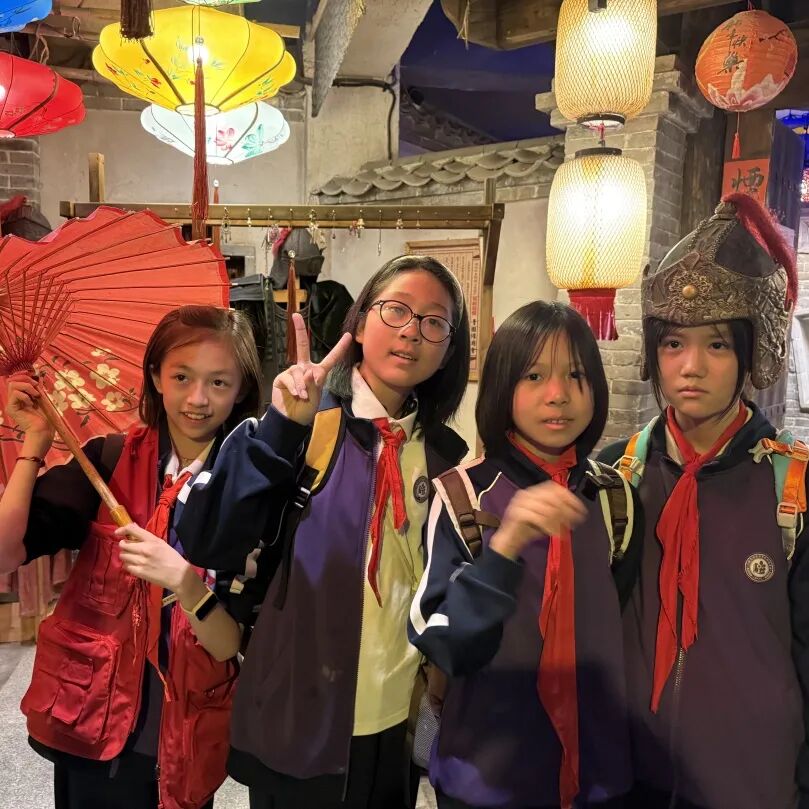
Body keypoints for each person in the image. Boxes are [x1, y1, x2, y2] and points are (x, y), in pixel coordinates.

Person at [177, 255, 471, 809]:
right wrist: (281, 427)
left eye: (435, 322)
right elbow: (207, 540)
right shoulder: (303, 424)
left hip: (396, 720)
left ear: (449, 350)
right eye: (396, 310)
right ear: (359, 322)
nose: (412, 331)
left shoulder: (443, 456)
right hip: (299, 715)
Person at [0, 305, 262, 809]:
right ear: (156, 377)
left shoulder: (249, 488)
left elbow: (228, 644)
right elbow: (6, 551)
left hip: (187, 727)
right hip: (91, 716)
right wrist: (35, 443)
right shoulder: (109, 460)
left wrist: (185, 582)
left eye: (218, 382)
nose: (198, 399)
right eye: (181, 377)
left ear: (241, 390)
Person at [598, 193, 809, 809]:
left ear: (749, 353)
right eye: (673, 344)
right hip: (632, 775)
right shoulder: (616, 474)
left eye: (716, 345)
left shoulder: (793, 488)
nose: (691, 367)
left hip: (752, 783)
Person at [409, 301, 640, 809]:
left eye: (575, 375)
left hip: (597, 776)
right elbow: (443, 643)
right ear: (502, 387)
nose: (558, 394)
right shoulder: (463, 494)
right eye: (533, 376)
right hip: (487, 776)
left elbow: (618, 628)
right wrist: (506, 546)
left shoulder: (614, 498)